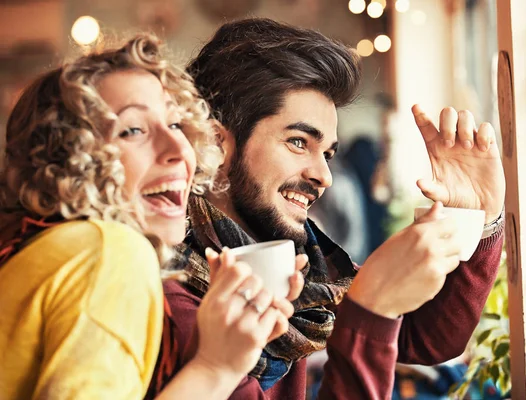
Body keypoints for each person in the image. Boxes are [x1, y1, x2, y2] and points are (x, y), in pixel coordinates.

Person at [156, 18, 506, 399]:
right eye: (298, 142)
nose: (324, 175)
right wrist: (371, 307)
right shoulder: (172, 299)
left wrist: (475, 216)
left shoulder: (302, 266)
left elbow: (427, 338)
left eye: (328, 153)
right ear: (216, 143)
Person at [0, 33, 305, 400]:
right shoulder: (107, 249)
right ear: (65, 159)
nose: (179, 148)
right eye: (133, 130)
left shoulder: (39, 247)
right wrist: (215, 368)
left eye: (176, 125)